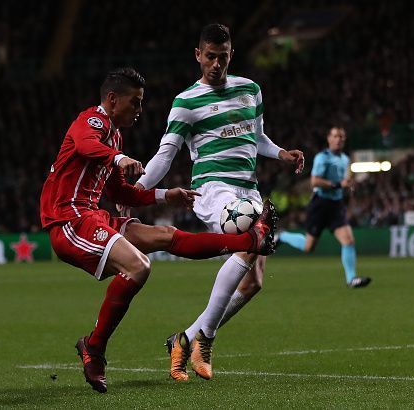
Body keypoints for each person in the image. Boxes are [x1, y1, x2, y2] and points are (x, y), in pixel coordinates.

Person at [39, 67, 277, 393]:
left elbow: (120, 194)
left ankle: (249, 240)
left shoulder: (115, 136)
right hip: (68, 220)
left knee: (167, 237)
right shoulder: (93, 122)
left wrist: (166, 195)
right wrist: (120, 158)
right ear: (112, 99)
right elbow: (84, 144)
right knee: (138, 266)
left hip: (94, 215)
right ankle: (93, 347)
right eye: (134, 102)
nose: (139, 110)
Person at [133, 24, 304, 381]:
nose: (215, 64)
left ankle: (184, 338)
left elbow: (256, 138)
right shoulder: (186, 102)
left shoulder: (250, 90)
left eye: (222, 57)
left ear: (231, 55)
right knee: (249, 237)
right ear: (198, 55)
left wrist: (281, 154)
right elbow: (166, 156)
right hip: (214, 190)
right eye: (209, 56)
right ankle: (205, 338)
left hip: (248, 189)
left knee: (253, 282)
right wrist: (136, 192)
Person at [278, 126, 372, 288]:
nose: (338, 139)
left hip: (336, 205)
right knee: (309, 247)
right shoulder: (322, 158)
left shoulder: (345, 159)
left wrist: (348, 185)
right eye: (335, 136)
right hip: (320, 204)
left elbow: (343, 182)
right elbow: (315, 181)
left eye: (341, 137)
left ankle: (351, 279)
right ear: (329, 139)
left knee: (348, 241)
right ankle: (283, 236)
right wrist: (338, 184)